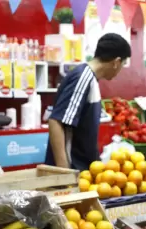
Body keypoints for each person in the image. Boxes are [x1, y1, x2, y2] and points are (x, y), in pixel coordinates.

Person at [45, 33, 131, 170]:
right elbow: (56, 121)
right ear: (116, 62)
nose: (120, 70)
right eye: (123, 64)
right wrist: (64, 171)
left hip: (83, 169)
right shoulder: (82, 78)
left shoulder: (90, 79)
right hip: (72, 169)